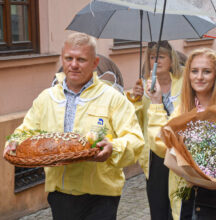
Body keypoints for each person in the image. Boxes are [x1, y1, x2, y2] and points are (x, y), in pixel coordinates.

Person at [3, 32, 144, 219]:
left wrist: (113, 148)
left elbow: (135, 139)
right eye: (69, 58)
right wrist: (14, 142)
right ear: (62, 58)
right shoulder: (47, 98)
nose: (74, 65)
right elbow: (27, 131)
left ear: (95, 63)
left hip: (101, 195)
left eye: (81, 59)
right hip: (61, 194)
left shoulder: (112, 98)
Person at [146, 48, 216, 220]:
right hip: (185, 203)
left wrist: (204, 172)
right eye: (194, 71)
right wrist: (156, 102)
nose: (199, 77)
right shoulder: (181, 112)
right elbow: (160, 145)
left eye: (206, 71)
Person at [131, 40, 182, 220]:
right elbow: (138, 123)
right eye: (152, 57)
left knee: (178, 206)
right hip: (155, 156)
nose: (156, 61)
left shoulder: (184, 83)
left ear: (171, 60)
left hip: (180, 151)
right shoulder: (144, 86)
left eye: (161, 57)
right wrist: (135, 101)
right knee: (158, 207)